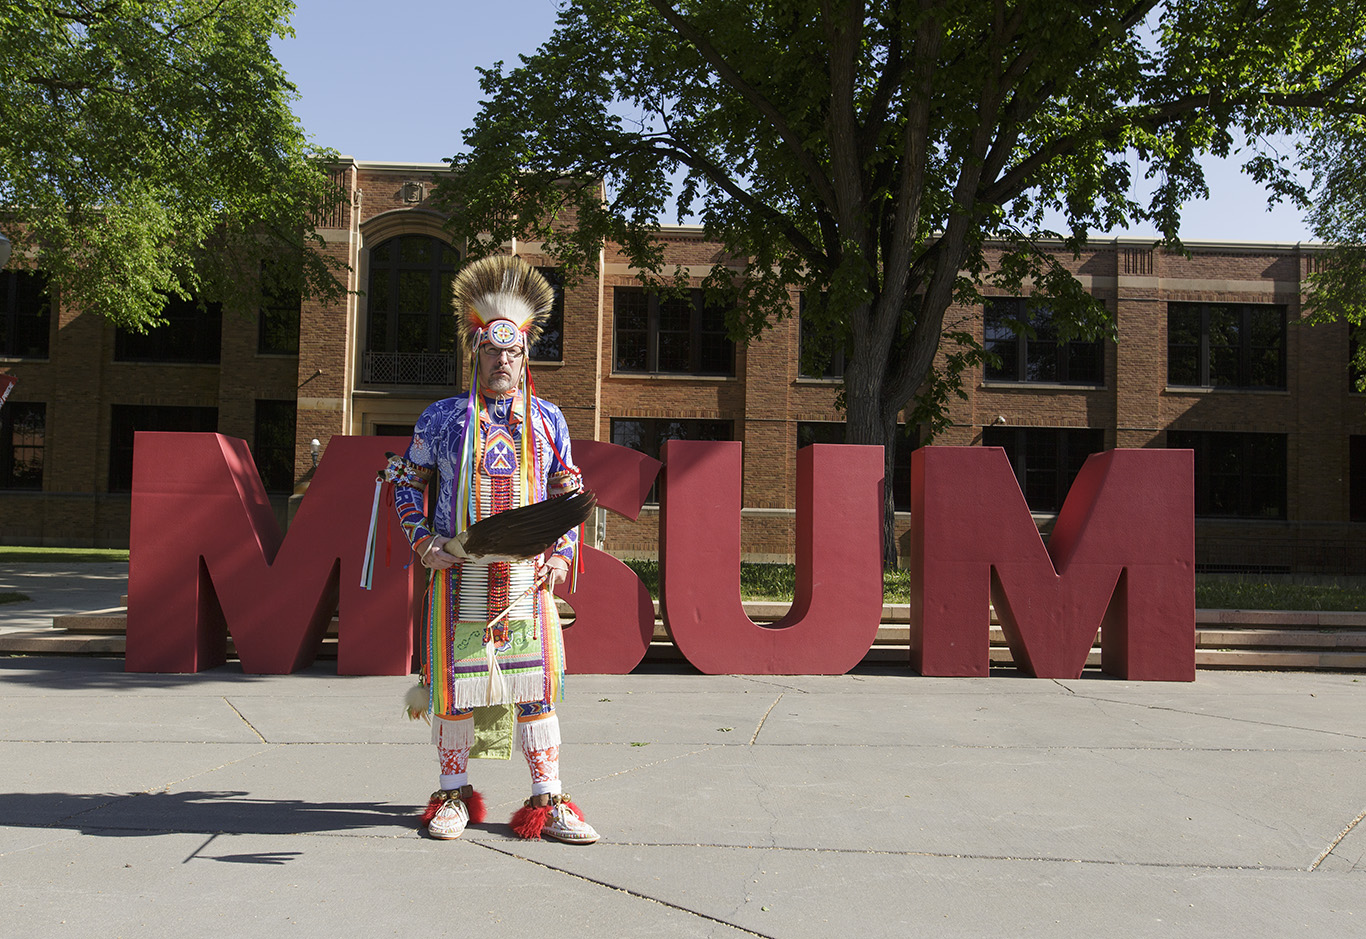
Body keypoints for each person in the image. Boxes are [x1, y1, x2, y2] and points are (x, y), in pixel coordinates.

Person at [383, 255, 598, 844]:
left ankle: (546, 801)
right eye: (491, 352)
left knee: (536, 688)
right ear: (475, 354)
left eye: (512, 353)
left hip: (527, 580)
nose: (502, 361)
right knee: (454, 686)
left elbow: (569, 492)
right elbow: (409, 484)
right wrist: (424, 541)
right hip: (461, 576)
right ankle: (452, 795)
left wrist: (563, 552)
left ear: (524, 356)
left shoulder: (548, 418)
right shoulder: (443, 418)